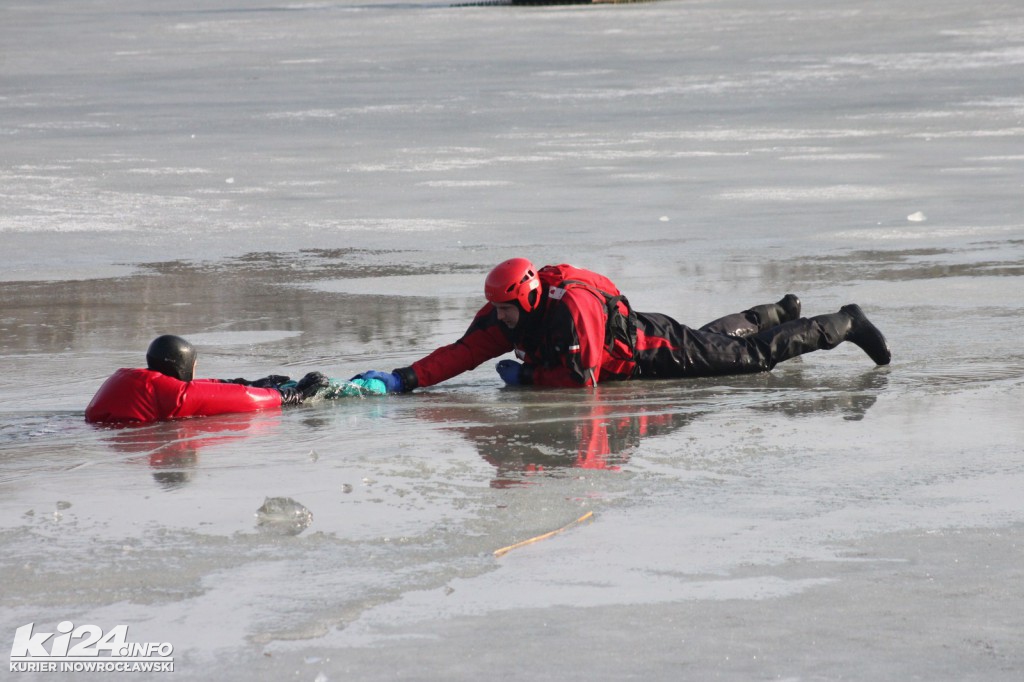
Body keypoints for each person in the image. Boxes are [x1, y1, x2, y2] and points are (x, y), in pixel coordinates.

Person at [352, 258, 891, 392]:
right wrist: (403, 378)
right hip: (650, 341)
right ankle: (772, 313)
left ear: (529, 299)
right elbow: (462, 353)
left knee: (749, 358)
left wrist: (529, 382)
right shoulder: (507, 313)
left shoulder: (571, 312)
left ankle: (844, 322)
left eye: (507, 312)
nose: (501, 322)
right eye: (497, 313)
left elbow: (583, 382)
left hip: (654, 350)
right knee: (717, 340)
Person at [85, 334, 329, 424]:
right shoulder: (174, 396)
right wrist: (290, 395)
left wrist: (250, 381)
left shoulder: (129, 378)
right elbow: (242, 400)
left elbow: (210, 388)